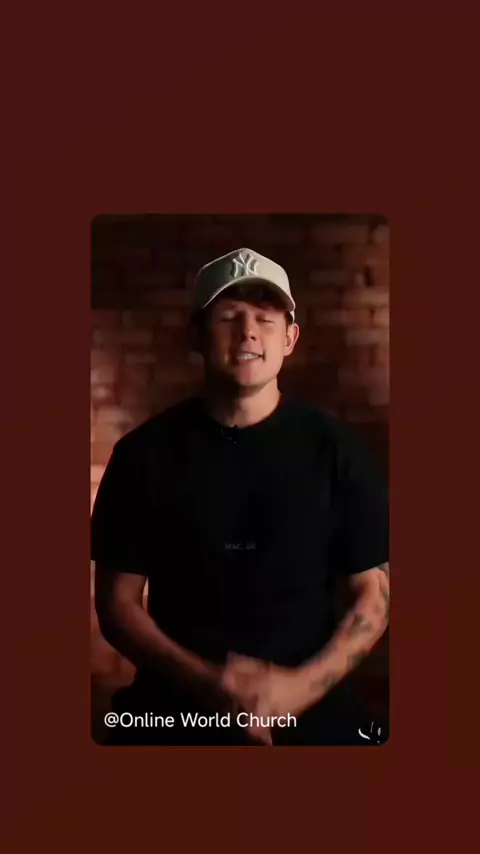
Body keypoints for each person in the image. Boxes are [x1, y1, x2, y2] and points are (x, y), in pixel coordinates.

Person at [91, 247, 390, 746]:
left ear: (290, 338)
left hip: (311, 703)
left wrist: (292, 693)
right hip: (178, 704)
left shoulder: (337, 451)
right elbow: (117, 604)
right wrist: (213, 688)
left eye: (265, 319)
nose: (248, 332)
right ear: (196, 336)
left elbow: (374, 596)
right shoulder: (142, 455)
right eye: (229, 317)